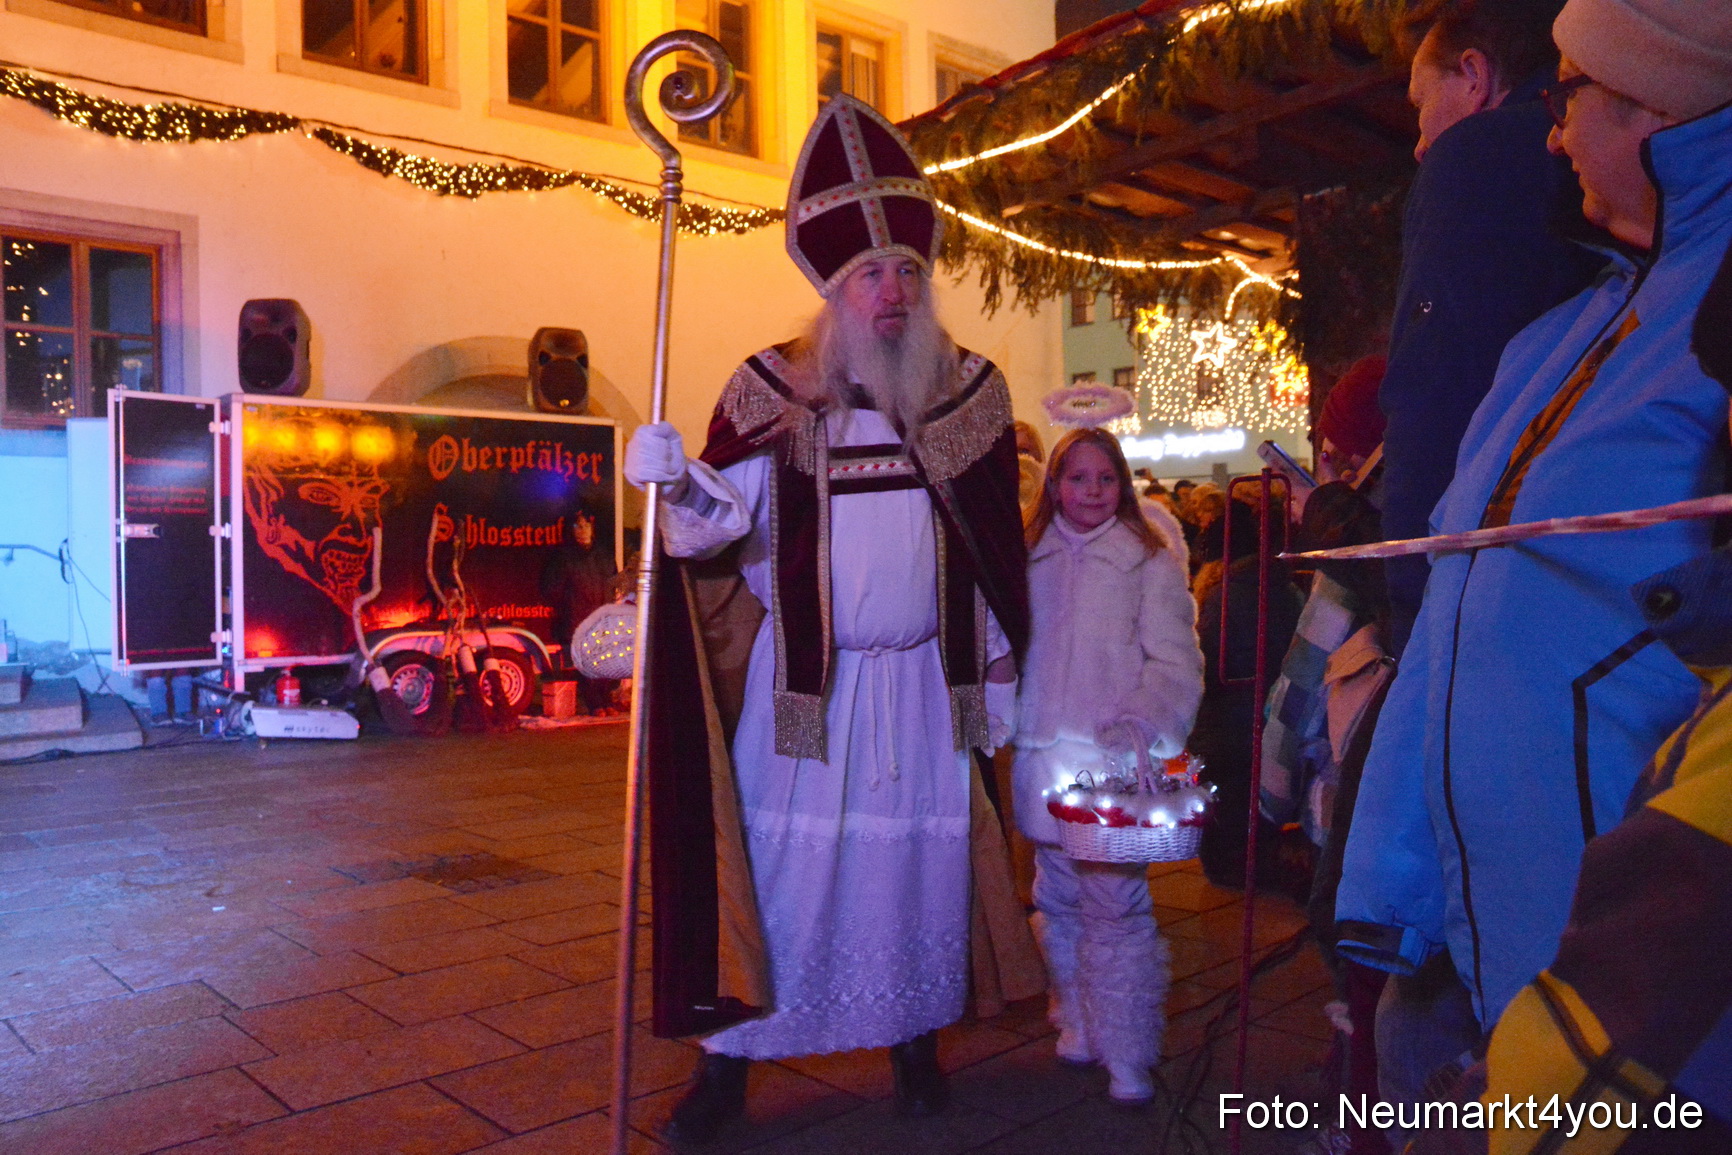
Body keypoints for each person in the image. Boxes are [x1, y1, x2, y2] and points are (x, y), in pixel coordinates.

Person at [1336, 0, 1732, 1133]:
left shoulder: (1721, 331)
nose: (1548, 135)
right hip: (1474, 947)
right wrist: (1390, 879)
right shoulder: (1550, 338)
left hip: (1640, 987)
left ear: (1656, 115)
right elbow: (1462, 607)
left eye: (1566, 98)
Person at [625, 95, 1042, 1145]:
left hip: (921, 692)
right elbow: (719, 531)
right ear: (832, 290)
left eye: (906, 270)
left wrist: (997, 675)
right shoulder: (775, 392)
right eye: (869, 274)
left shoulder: (969, 399)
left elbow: (991, 557)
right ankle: (728, 1068)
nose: (891, 291)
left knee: (915, 876)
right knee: (780, 877)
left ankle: (915, 1043)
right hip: (805, 696)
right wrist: (674, 483)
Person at [1380, 0, 1605, 655]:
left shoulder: (1474, 159)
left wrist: (1406, 602)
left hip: (1485, 587)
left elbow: (1435, 393)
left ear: (1474, 76)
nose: (1421, 142)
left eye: (1423, 105)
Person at [1011, 428, 1203, 1105]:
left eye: (1105, 479)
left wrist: (1143, 721)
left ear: (1121, 484)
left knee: (1116, 903)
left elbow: (1176, 661)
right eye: (1077, 478)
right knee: (1056, 893)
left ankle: (1128, 1049)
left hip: (1109, 763)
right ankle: (1079, 1016)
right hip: (1042, 758)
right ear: (1055, 483)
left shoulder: (1145, 558)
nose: (1091, 493)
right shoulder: (1028, 554)